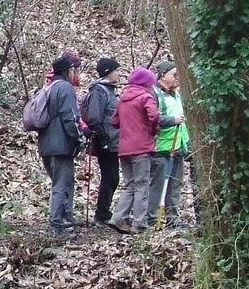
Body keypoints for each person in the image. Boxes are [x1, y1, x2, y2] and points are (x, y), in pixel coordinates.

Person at [109, 67, 161, 232]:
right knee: (142, 185)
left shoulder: (123, 98)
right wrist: (152, 130)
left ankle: (117, 218)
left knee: (130, 185)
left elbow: (114, 121)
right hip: (141, 147)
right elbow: (154, 116)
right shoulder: (146, 97)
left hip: (124, 148)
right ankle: (140, 223)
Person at [37, 54, 83, 237]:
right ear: (68, 71)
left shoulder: (49, 87)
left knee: (61, 182)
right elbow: (69, 117)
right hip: (60, 143)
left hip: (46, 143)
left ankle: (65, 218)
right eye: (73, 70)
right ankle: (57, 225)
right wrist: (78, 137)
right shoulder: (65, 88)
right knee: (61, 184)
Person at [149, 61, 190, 228]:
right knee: (158, 185)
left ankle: (173, 218)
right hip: (161, 147)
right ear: (162, 75)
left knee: (175, 184)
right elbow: (153, 119)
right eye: (173, 74)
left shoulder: (176, 94)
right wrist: (172, 120)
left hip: (177, 145)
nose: (176, 78)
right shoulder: (154, 93)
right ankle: (152, 218)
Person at [83, 57, 122, 225]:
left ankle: (104, 211)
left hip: (112, 140)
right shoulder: (100, 90)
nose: (119, 73)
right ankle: (102, 213)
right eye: (116, 70)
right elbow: (94, 117)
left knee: (113, 177)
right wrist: (102, 136)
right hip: (105, 141)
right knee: (110, 177)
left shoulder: (109, 90)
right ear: (108, 72)